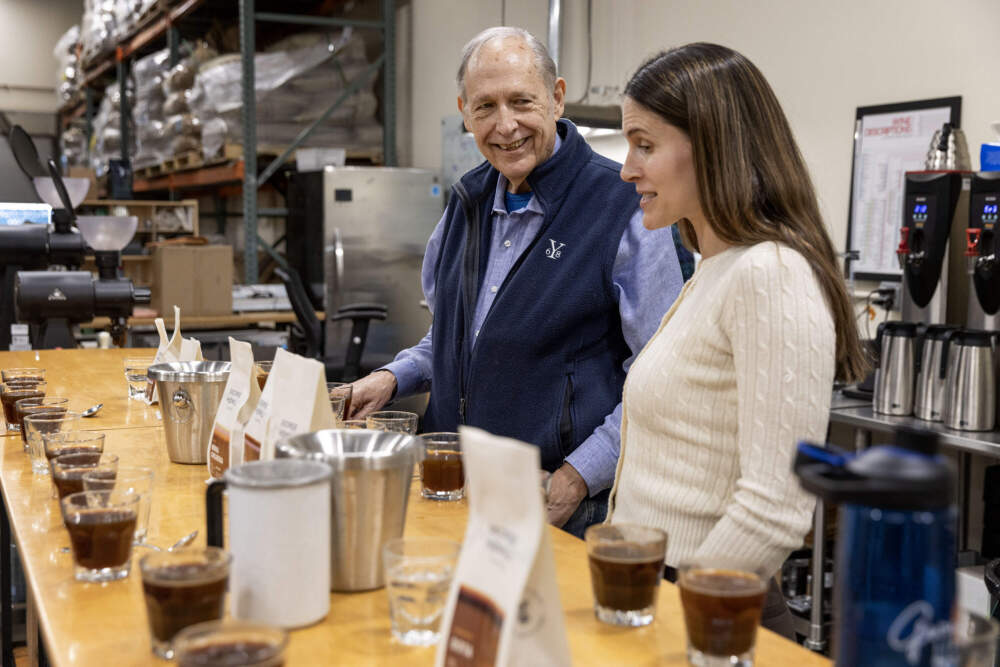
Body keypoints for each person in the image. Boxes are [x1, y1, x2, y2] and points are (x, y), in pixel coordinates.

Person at [350, 27, 687, 537]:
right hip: (450, 487)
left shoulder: (623, 209)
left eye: (521, 101)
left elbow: (659, 382)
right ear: (465, 113)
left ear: (556, 98)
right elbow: (453, 338)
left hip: (556, 505)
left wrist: (578, 476)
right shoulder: (465, 205)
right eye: (485, 107)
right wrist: (391, 378)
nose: (505, 125)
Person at [607, 43, 868, 635]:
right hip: (658, 591)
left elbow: (774, 508)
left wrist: (682, 616)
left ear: (712, 145)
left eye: (645, 145)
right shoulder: (714, 269)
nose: (628, 169)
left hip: (709, 610)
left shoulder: (770, 273)